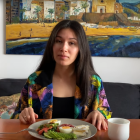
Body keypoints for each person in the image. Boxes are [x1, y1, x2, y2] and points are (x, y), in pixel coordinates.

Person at [11, 20, 112, 131]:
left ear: (80, 49)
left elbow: (106, 113)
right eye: (59, 41)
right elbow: (16, 117)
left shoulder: (93, 82)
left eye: (72, 43)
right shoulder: (35, 80)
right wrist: (22, 115)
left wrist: (100, 114)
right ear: (52, 45)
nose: (64, 48)